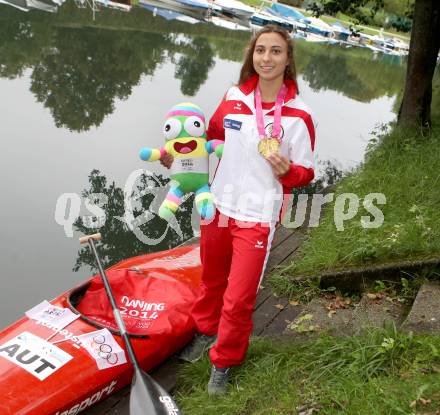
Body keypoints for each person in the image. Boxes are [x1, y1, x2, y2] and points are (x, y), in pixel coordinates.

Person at [161, 25, 316, 395]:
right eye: (260, 50)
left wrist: (287, 171)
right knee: (213, 282)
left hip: (258, 215)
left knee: (239, 296)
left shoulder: (299, 114)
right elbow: (210, 138)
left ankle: (224, 362)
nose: (266, 58)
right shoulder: (233, 97)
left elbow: (306, 173)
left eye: (275, 51)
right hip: (217, 207)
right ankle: (204, 333)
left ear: (288, 59)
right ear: (252, 55)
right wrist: (179, 156)